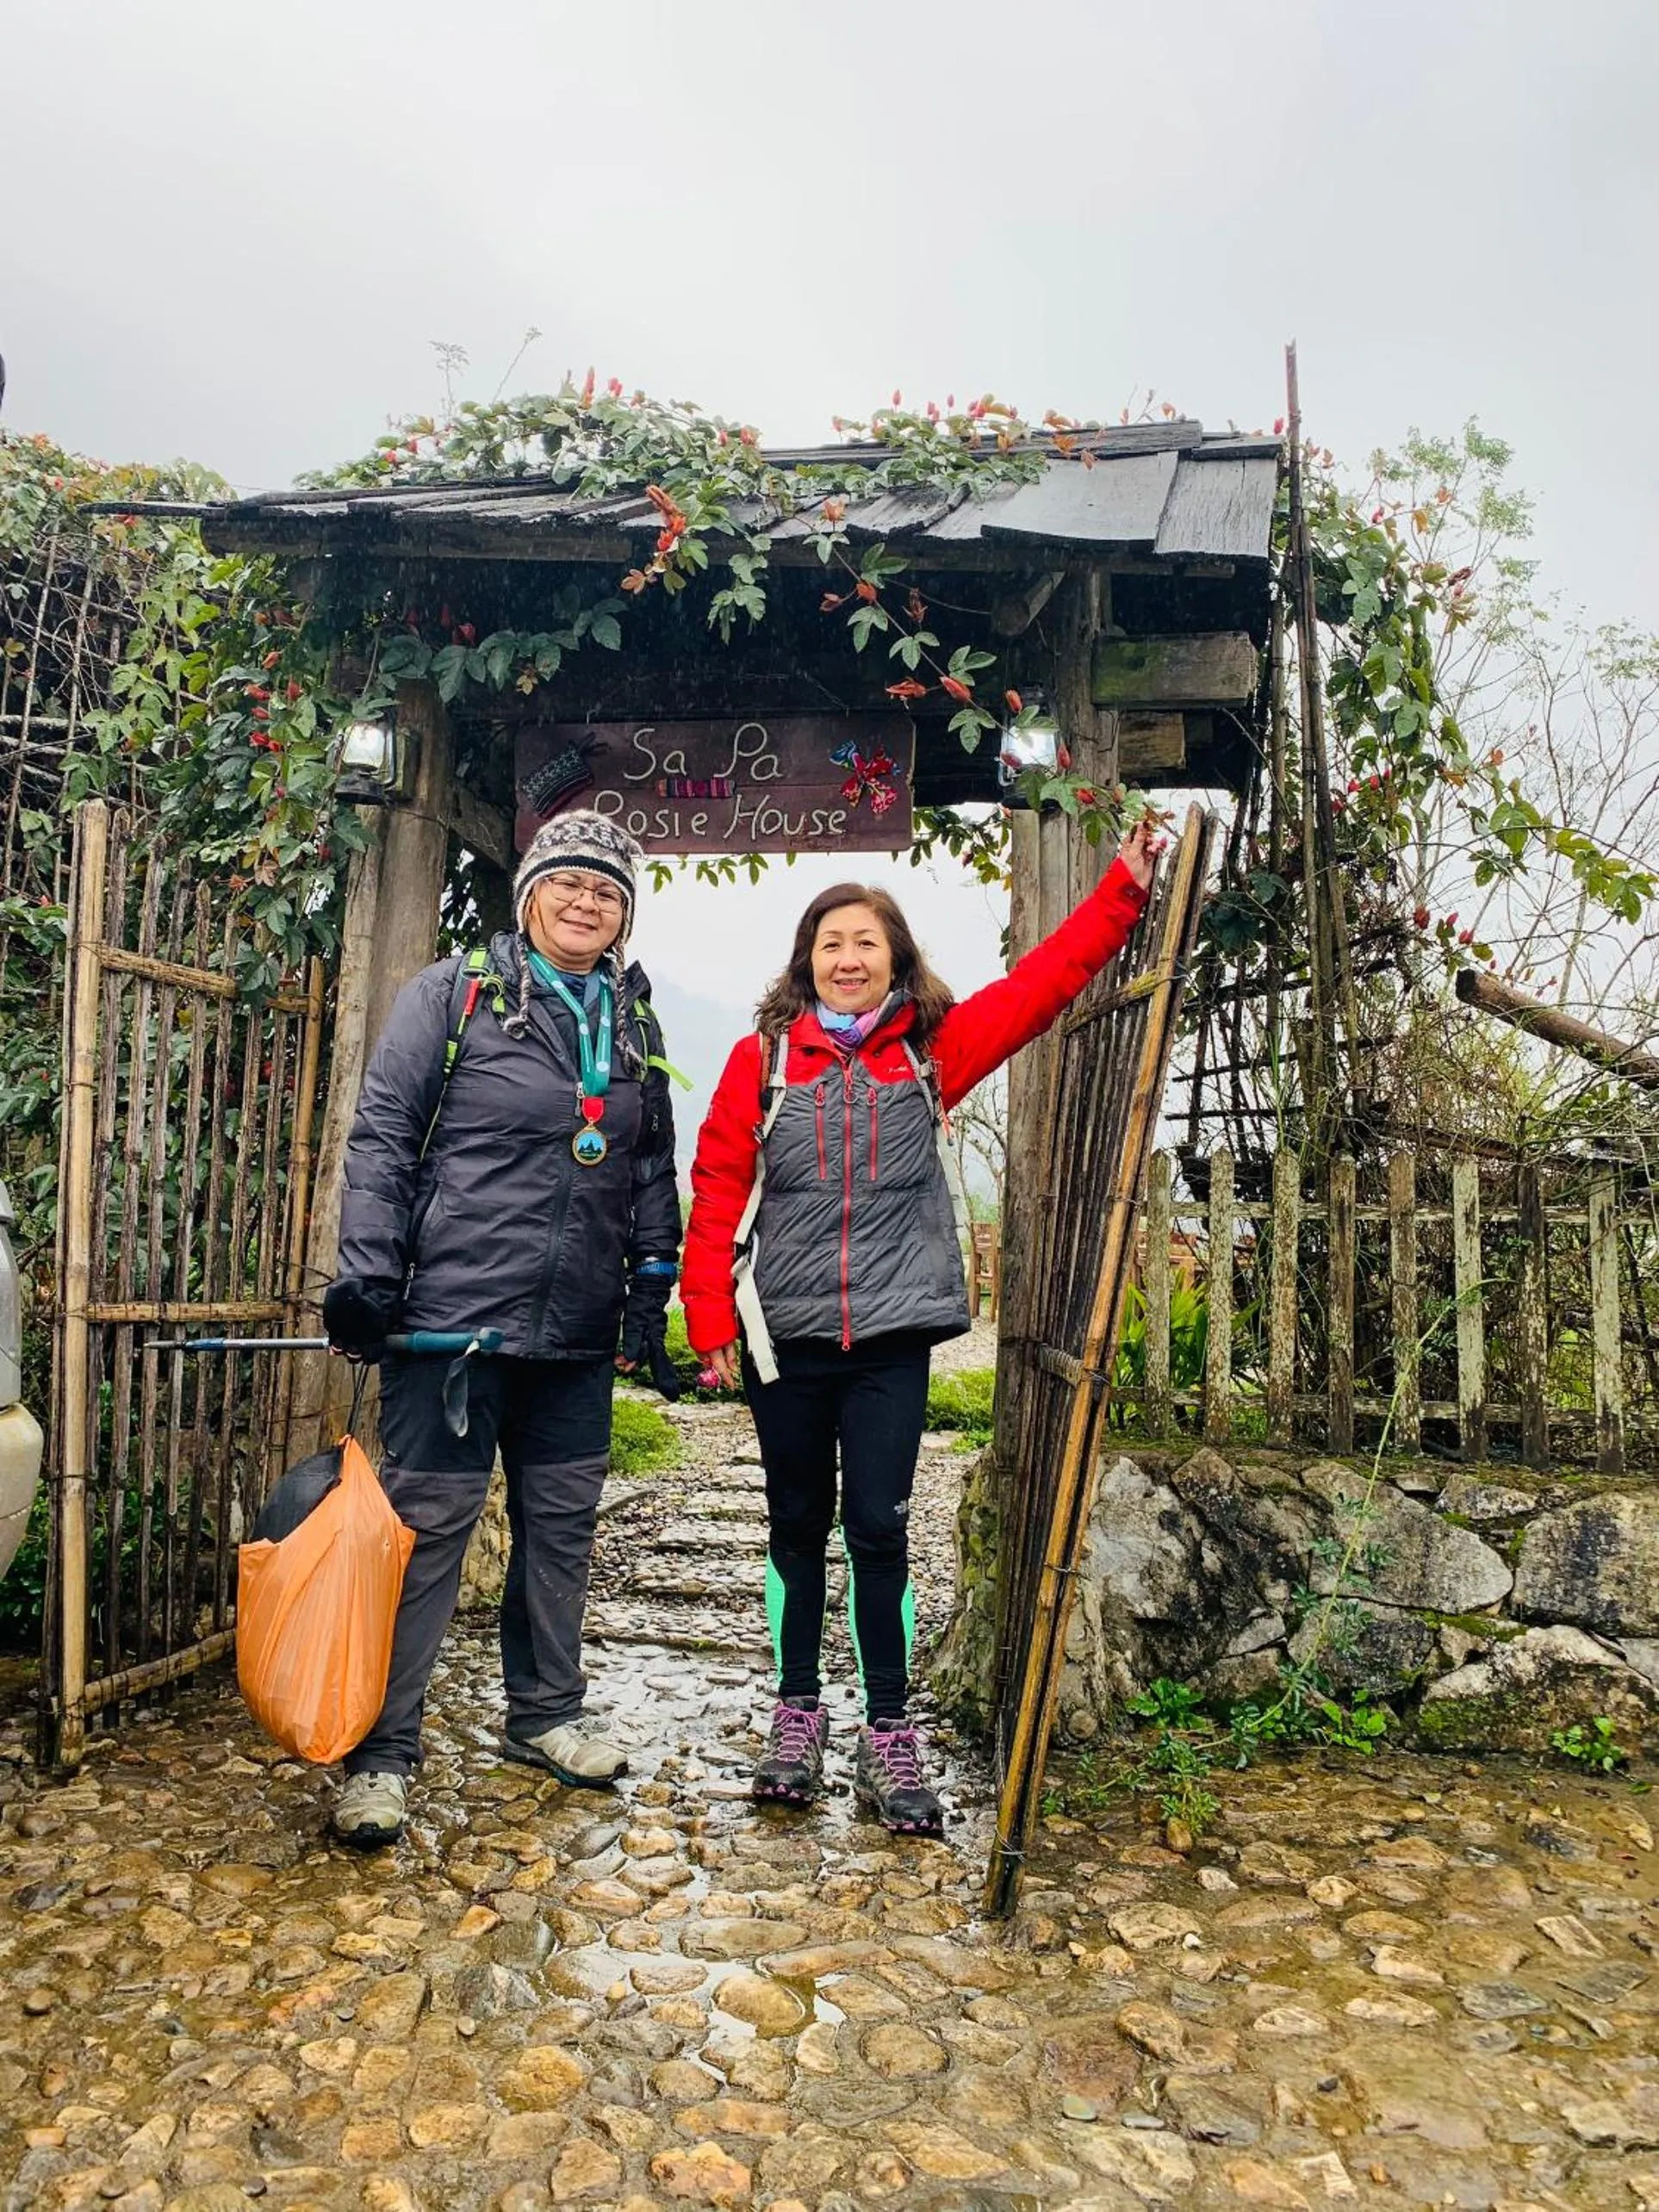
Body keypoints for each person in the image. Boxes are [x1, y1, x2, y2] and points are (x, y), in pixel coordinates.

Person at [680, 819, 1161, 1836]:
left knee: (880, 1528)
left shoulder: (931, 1054)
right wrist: (710, 1315)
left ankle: (888, 1730)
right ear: (806, 963)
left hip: (891, 1339)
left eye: (866, 941)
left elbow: (1041, 988)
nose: (848, 958)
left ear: (896, 957)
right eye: (831, 944)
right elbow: (718, 1185)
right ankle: (796, 1715)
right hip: (784, 1339)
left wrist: (1124, 888)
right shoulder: (762, 1062)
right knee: (796, 1523)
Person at [320, 811, 680, 1847]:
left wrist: (651, 1284)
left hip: (575, 1336)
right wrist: (369, 1274)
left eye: (607, 891)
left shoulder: (634, 1022)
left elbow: (651, 1164)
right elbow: (384, 1136)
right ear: (529, 895)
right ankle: (381, 1754)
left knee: (561, 1530)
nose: (586, 902)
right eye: (568, 882)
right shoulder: (454, 995)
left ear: (624, 915)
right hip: (451, 1329)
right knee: (426, 1535)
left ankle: (546, 1714)